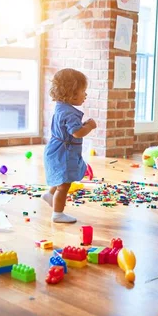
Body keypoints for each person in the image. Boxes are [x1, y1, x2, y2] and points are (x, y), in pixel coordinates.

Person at [42, 68, 96, 223]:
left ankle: (50, 194)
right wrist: (89, 126)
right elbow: (77, 133)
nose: (85, 95)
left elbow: (69, 129)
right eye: (83, 91)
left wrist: (82, 124)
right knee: (64, 185)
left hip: (56, 149)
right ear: (72, 94)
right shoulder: (70, 113)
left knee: (61, 178)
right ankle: (58, 214)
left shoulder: (61, 107)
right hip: (64, 153)